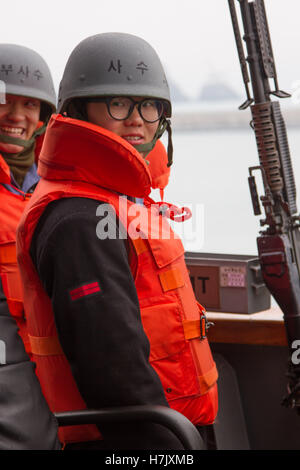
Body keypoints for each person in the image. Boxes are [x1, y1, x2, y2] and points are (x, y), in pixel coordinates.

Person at [17, 33, 218, 450]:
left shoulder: (118, 202)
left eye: (149, 106)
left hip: (167, 425)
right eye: (118, 103)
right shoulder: (79, 218)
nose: (137, 119)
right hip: (131, 440)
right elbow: (112, 368)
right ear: (78, 113)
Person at [0, 43, 60, 449]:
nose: (17, 116)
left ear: (43, 119)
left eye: (29, 105)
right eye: (4, 102)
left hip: (51, 373)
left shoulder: (55, 188)